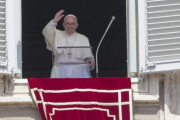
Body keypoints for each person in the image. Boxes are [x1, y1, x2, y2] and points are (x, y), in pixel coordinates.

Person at [42, 10, 94, 78]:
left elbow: (89, 58)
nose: (70, 26)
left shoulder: (83, 38)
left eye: (72, 24)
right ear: (63, 25)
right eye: (67, 23)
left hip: (79, 73)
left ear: (76, 25)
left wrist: (90, 62)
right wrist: (54, 21)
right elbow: (46, 33)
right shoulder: (56, 34)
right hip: (59, 72)